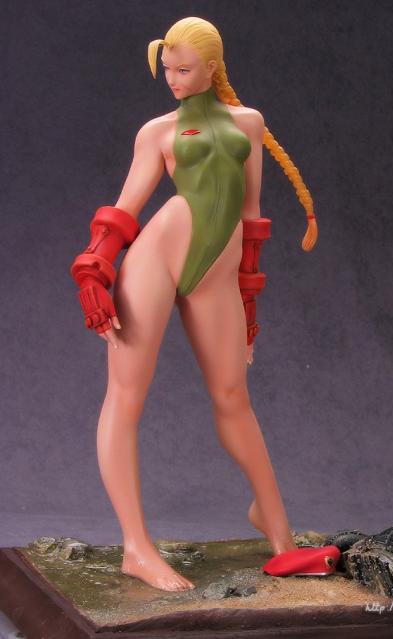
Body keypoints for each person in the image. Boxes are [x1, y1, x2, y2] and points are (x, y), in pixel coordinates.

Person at [70, 16, 317, 592]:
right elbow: (125, 209)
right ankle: (136, 547)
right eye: (167, 70)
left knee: (233, 397)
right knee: (125, 396)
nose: (174, 80)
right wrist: (93, 270)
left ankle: (277, 530)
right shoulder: (157, 132)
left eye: (184, 69)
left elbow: (252, 220)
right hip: (156, 259)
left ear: (212, 66)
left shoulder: (248, 123)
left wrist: (249, 308)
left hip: (217, 272)